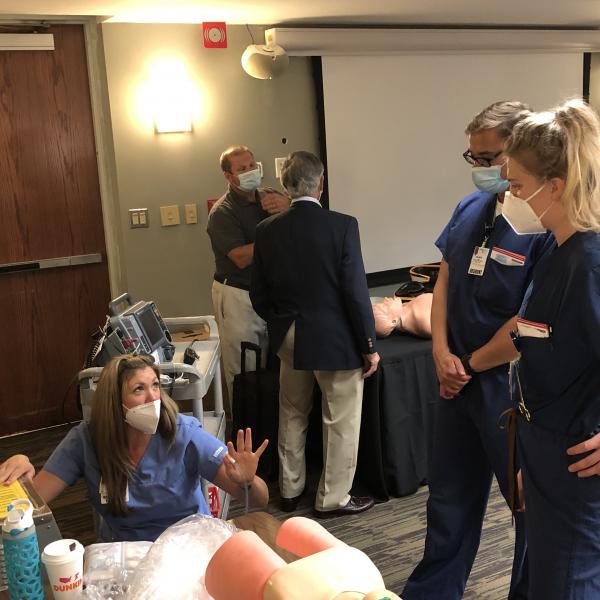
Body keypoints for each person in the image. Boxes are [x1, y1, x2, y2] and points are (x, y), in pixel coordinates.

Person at [402, 101, 555, 600]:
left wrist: (468, 364)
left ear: (521, 152)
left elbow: (530, 319)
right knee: (448, 500)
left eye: (491, 158)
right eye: (474, 159)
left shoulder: (543, 224)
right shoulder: (470, 209)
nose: (483, 171)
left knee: (527, 509)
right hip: (455, 380)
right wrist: (441, 352)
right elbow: (445, 278)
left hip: (506, 389)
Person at [463, 99, 600, 599]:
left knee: (569, 582)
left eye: (517, 185)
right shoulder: (557, 252)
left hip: (576, 462)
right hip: (542, 448)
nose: (510, 195)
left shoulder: (589, 264)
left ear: (555, 186)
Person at [0, 354, 269, 542]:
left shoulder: (184, 434)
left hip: (187, 545)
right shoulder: (86, 440)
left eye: (155, 385)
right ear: (115, 402)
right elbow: (29, 503)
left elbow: (259, 500)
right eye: (139, 389)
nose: (154, 397)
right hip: (124, 552)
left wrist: (248, 482)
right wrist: (21, 470)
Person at [250, 151, 379, 517]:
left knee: (292, 411)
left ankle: (290, 491)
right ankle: (333, 497)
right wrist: (368, 345)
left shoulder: (266, 230)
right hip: (334, 338)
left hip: (289, 335)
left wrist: (280, 324)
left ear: (288, 187)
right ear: (320, 184)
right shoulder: (342, 225)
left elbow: (258, 294)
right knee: (340, 417)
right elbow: (355, 292)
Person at [207, 145, 290, 414]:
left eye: (253, 166)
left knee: (273, 365)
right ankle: (244, 433)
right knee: (243, 370)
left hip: (270, 293)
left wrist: (289, 209)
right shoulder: (222, 212)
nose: (250, 172)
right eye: (242, 169)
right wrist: (276, 231)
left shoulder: (271, 198)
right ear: (228, 177)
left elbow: (300, 225)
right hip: (237, 296)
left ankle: (269, 430)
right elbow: (240, 257)